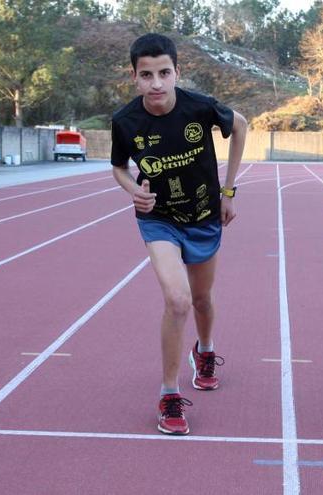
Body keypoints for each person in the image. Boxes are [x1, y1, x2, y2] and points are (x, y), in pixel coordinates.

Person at [110, 33, 247, 436]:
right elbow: (118, 166)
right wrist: (132, 189)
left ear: (176, 72)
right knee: (177, 299)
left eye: (164, 73)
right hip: (159, 219)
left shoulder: (200, 108)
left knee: (202, 298)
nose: (156, 83)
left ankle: (204, 351)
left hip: (204, 216)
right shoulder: (125, 121)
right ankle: (169, 393)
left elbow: (240, 127)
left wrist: (228, 190)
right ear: (134, 77)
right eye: (146, 75)